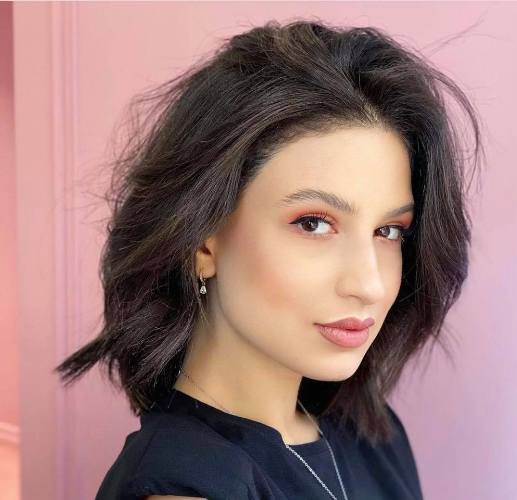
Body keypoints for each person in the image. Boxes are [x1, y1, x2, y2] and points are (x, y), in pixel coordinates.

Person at [54, 18, 483, 500]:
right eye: (314, 223)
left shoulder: (372, 436)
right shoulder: (188, 488)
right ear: (203, 243)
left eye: (388, 231)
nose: (370, 284)